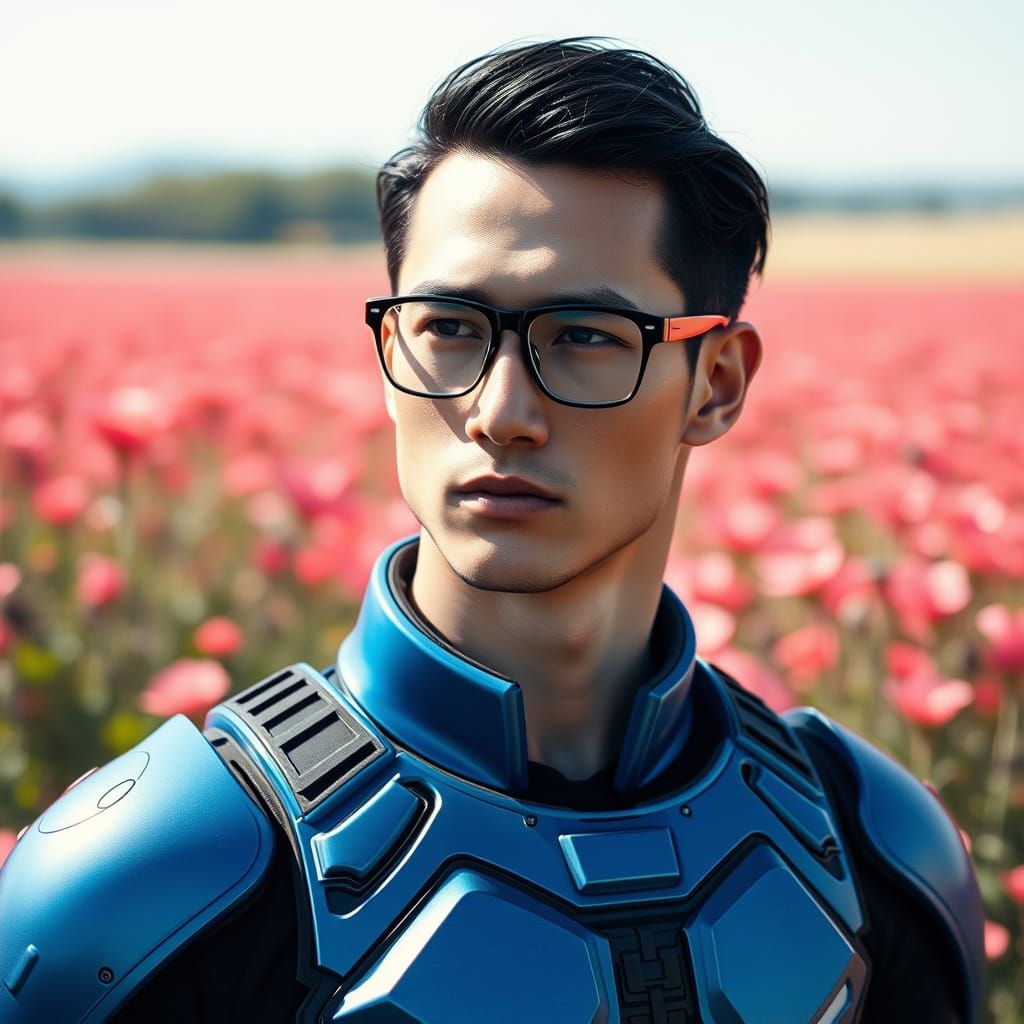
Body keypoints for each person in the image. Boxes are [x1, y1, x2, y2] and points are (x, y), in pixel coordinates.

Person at [0, 38, 984, 1024]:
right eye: (448, 327)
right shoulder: (151, 888)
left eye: (585, 336)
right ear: (389, 351)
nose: (500, 412)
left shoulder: (873, 851)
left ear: (717, 383)